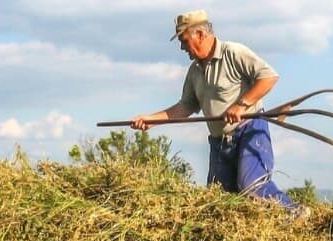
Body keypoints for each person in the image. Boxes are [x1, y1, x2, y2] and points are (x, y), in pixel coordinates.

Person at [131, 9, 307, 216]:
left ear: (200, 34)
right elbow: (185, 106)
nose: (181, 47)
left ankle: (294, 212)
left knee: (252, 186)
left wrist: (241, 105)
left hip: (248, 131)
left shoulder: (233, 53)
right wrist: (152, 120)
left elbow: (269, 77)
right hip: (220, 143)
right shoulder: (195, 71)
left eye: (184, 40)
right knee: (218, 201)